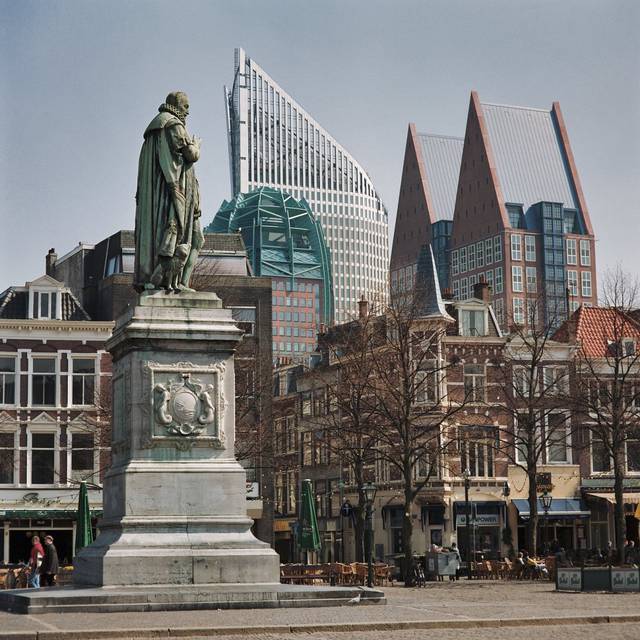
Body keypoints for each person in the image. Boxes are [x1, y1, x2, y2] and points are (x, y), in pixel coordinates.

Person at [134, 91, 205, 292]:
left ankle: (182, 282)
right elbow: (190, 155)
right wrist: (196, 146)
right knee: (180, 239)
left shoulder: (155, 129)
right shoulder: (172, 125)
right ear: (176, 106)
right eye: (186, 107)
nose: (188, 112)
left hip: (168, 194)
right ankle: (175, 283)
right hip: (175, 195)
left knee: (194, 238)